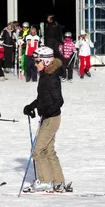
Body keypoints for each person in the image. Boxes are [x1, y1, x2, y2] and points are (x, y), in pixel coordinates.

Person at [22, 46, 68, 192]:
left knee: (37, 150)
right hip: (49, 117)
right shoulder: (46, 75)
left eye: (37, 61)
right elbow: (43, 97)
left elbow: (59, 101)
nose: (35, 64)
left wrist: (47, 111)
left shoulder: (51, 78)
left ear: (46, 61)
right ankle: (58, 181)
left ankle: (45, 181)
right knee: (48, 150)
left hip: (51, 119)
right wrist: (32, 106)